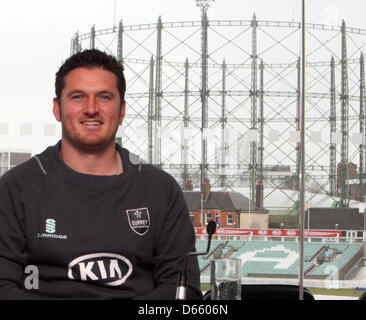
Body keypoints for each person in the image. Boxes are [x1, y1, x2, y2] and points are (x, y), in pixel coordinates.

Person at [0, 49, 202, 300]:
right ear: (57, 109)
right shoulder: (15, 188)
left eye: (104, 97)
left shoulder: (160, 189)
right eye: (77, 97)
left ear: (121, 110)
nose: (91, 109)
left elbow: (183, 291)